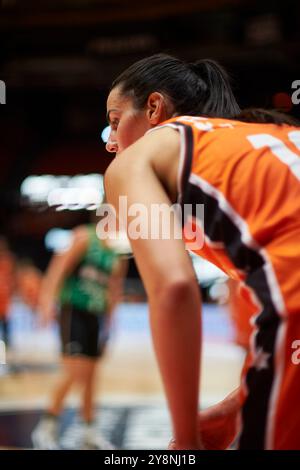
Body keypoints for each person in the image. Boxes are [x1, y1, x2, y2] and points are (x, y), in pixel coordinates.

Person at [104, 53, 300, 450]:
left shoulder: (142, 156)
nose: (111, 143)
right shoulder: (260, 134)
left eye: (114, 121)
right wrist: (236, 406)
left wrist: (187, 443)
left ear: (155, 107)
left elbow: (174, 288)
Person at [31, 223, 127, 450]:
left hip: (97, 316)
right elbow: (57, 270)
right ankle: (46, 426)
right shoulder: (84, 237)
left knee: (92, 375)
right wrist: (45, 303)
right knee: (75, 371)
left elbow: (114, 289)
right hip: (73, 310)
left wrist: (110, 324)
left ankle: (88, 430)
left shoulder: (118, 253)